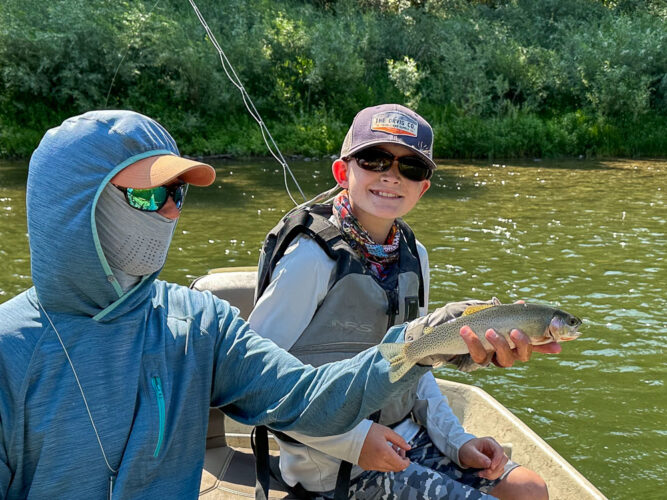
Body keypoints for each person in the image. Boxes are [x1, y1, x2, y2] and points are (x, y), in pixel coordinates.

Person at [0, 110, 441, 499]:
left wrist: (421, 344)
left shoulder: (200, 325)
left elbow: (307, 397)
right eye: (149, 195)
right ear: (76, 204)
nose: (171, 212)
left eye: (177, 194)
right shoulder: (8, 352)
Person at [249, 104, 551, 499]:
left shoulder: (415, 254)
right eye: (374, 159)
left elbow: (417, 360)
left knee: (530, 489)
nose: (391, 175)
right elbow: (255, 378)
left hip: (406, 436)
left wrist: (456, 441)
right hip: (333, 462)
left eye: (411, 167)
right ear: (343, 172)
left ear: (422, 186)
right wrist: (357, 442)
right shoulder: (310, 260)